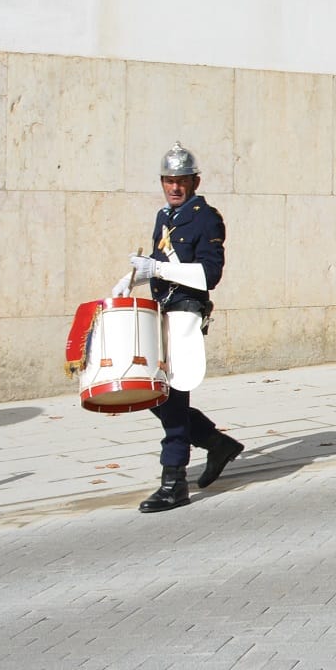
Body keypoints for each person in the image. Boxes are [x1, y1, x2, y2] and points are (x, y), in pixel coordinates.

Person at [115, 142, 243, 513]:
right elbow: (159, 262)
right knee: (155, 395)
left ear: (195, 181)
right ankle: (216, 444)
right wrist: (132, 279)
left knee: (172, 397)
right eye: (169, 181)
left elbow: (208, 274)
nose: (175, 187)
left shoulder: (206, 218)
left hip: (186, 314)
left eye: (182, 181)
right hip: (161, 312)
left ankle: (174, 482)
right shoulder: (165, 217)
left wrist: (156, 269)